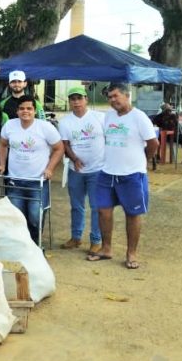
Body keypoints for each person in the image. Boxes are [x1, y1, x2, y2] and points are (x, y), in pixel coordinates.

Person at [88, 83, 158, 269]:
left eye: (115, 96)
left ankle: (131, 253)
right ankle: (106, 248)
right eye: (109, 97)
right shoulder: (109, 116)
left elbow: (153, 143)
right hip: (107, 172)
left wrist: (143, 160)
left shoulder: (139, 117)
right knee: (103, 211)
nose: (112, 100)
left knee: (132, 214)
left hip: (131, 175)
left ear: (127, 96)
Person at [0, 95, 64, 243]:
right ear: (17, 111)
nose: (25, 111)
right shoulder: (9, 126)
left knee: (35, 217)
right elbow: (2, 145)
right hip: (14, 181)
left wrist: (50, 168)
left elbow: (59, 148)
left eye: (29, 108)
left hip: (37, 181)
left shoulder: (45, 127)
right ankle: (20, 245)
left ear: (35, 110)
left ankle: (35, 244)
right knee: (16, 217)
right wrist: (2, 164)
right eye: (21, 108)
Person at [58, 86, 105, 253]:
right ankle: (76, 237)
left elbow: (109, 138)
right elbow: (65, 144)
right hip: (75, 170)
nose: (76, 102)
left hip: (98, 170)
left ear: (86, 99)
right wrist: (75, 159)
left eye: (79, 98)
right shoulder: (64, 122)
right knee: (76, 206)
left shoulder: (100, 117)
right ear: (69, 102)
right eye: (73, 99)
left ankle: (96, 240)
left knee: (96, 206)